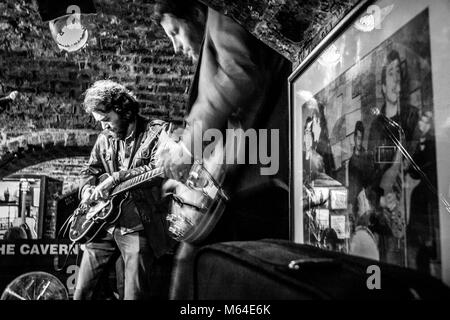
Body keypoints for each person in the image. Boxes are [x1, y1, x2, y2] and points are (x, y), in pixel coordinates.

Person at [153, 0, 292, 299]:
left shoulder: (221, 13)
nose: (176, 46)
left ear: (197, 12)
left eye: (175, 32)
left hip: (253, 182)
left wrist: (186, 149)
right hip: (253, 179)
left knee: (194, 271)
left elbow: (238, 74)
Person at [74, 80, 175, 300]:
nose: (104, 127)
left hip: (138, 224)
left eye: (107, 120)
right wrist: (87, 189)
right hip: (102, 224)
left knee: (134, 295)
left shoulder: (158, 132)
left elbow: (161, 170)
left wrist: (115, 178)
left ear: (123, 111)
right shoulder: (104, 139)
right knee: (81, 293)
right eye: (100, 122)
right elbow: (89, 169)